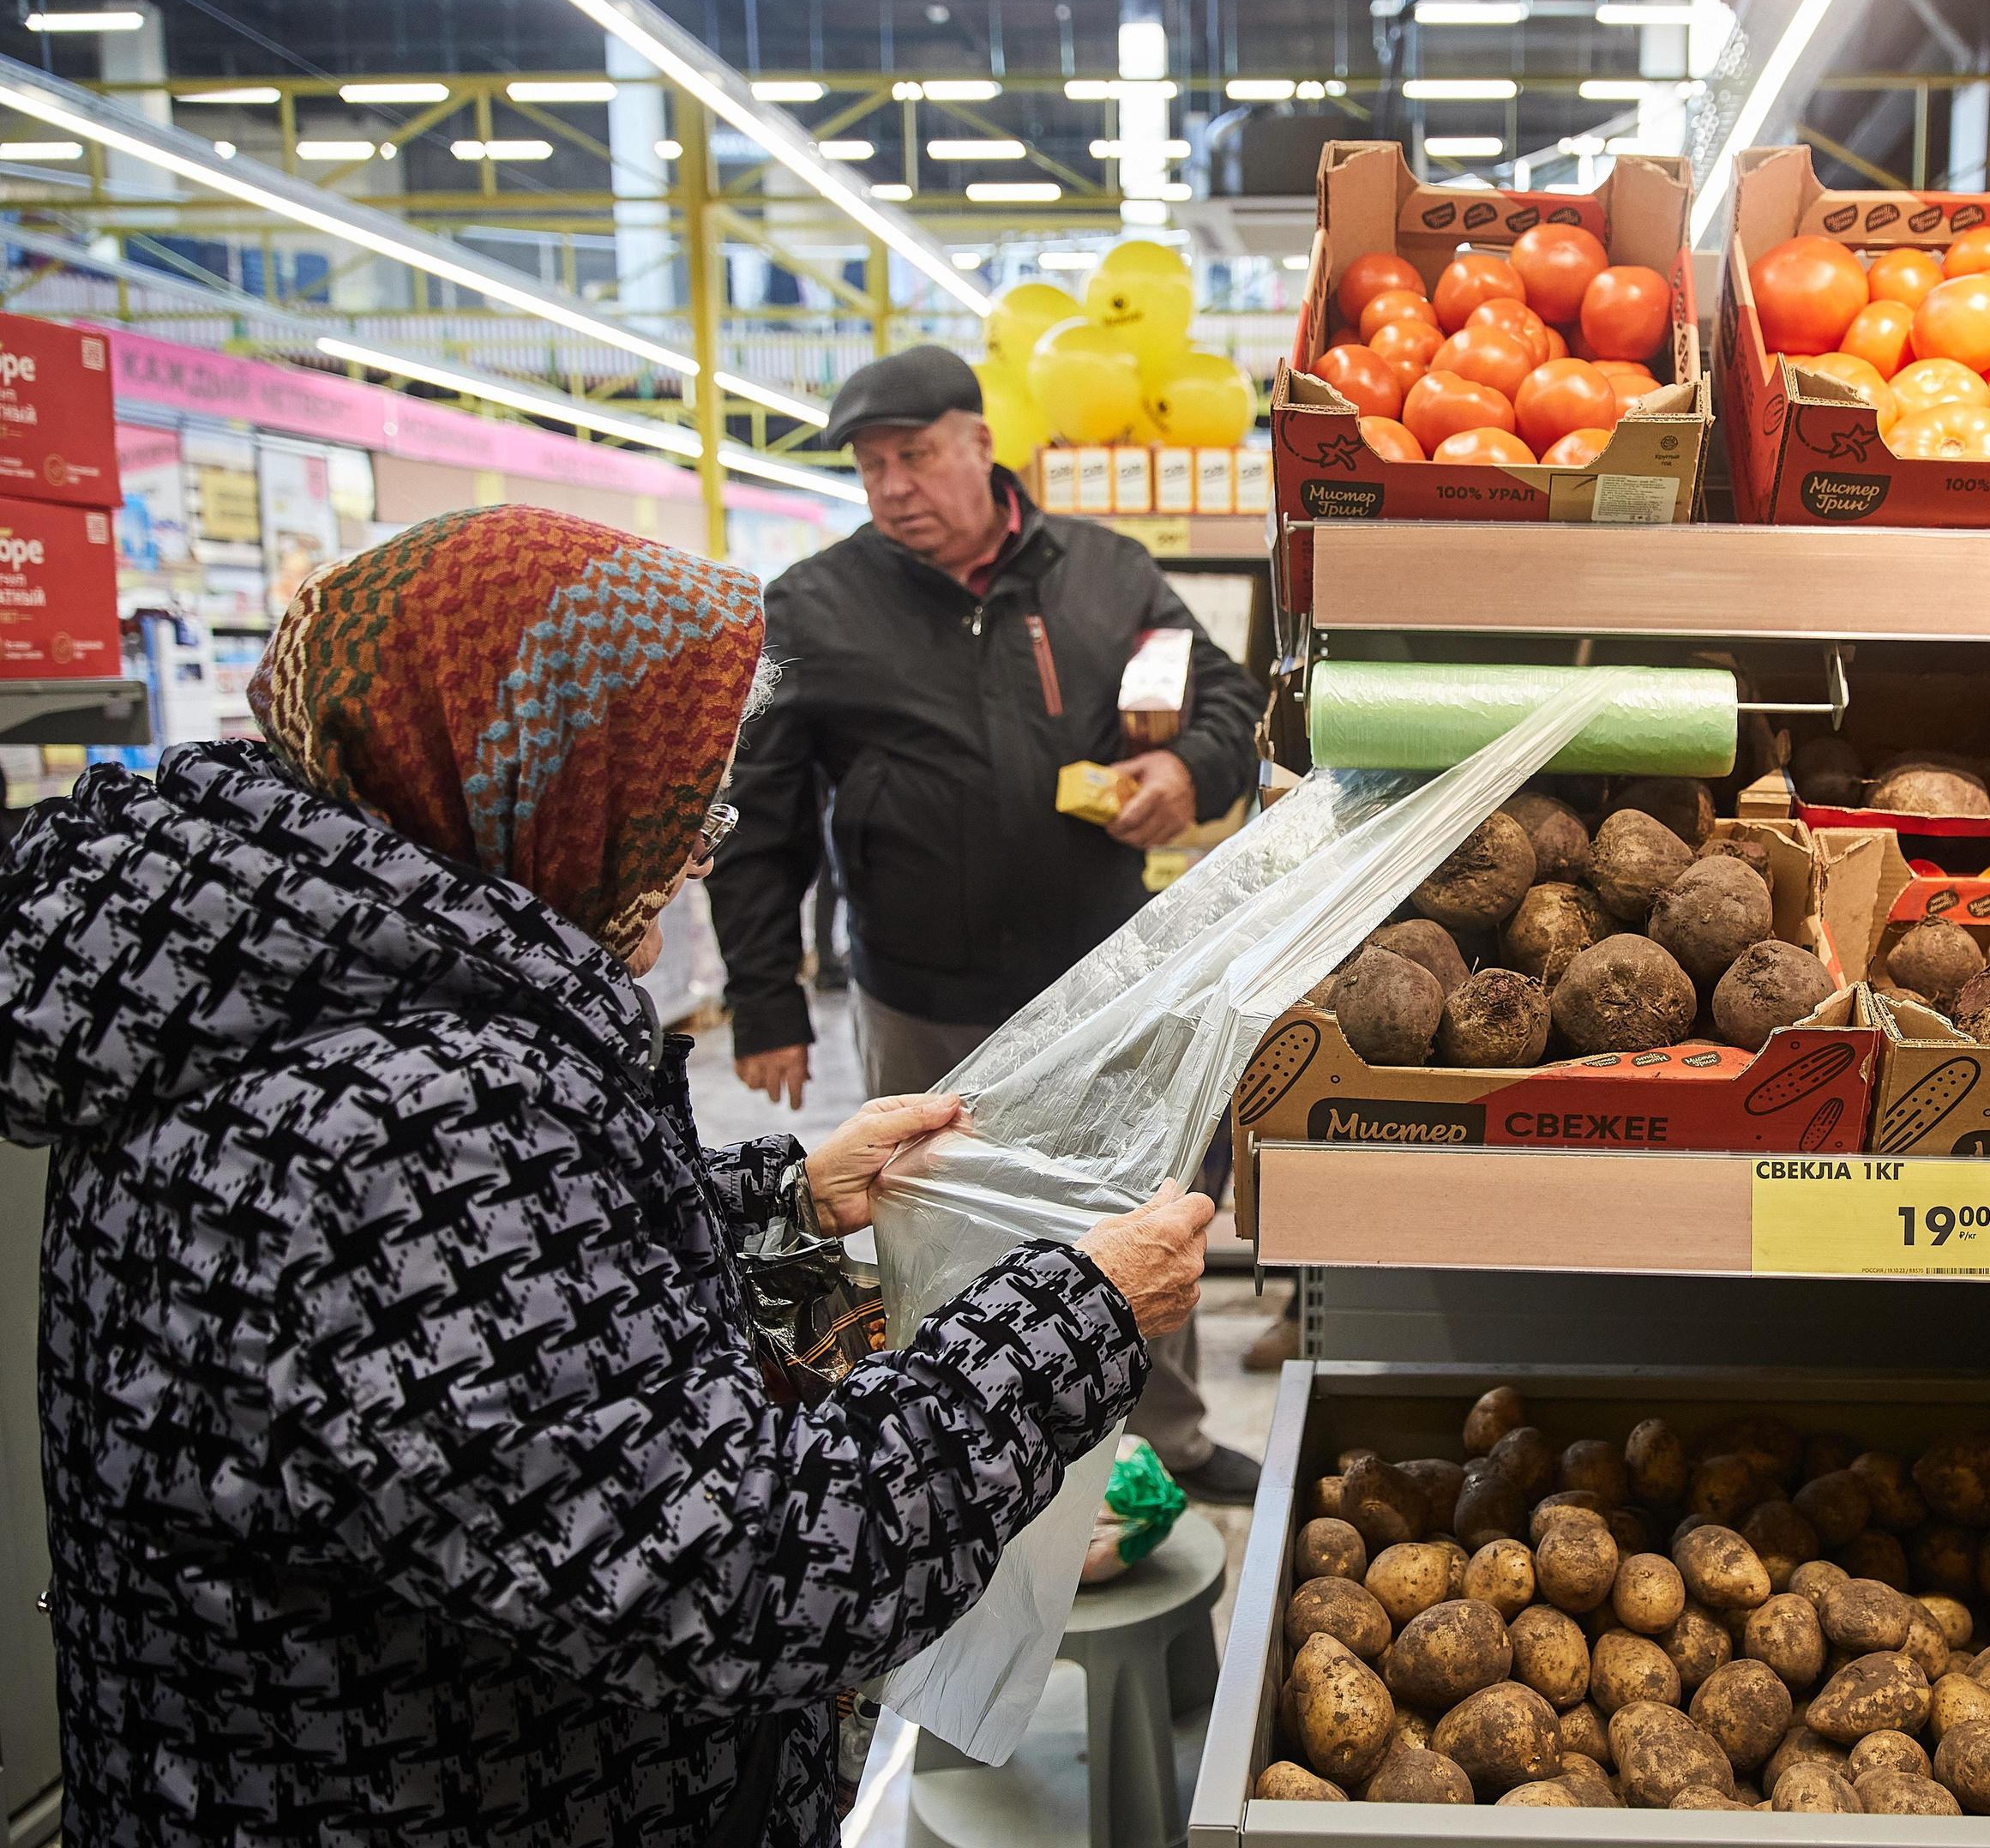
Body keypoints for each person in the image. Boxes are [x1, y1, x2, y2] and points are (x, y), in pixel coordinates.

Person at [0, 504, 1211, 1846]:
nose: (697, 854)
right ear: (537, 776)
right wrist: (1073, 1317)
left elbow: (481, 1346)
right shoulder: (408, 1118)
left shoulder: (262, 974)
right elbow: (750, 1578)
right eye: (677, 805)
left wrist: (772, 1192)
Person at [710, 343, 1268, 1502]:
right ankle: (959, 1468)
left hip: (1103, 984)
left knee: (1133, 1212)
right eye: (870, 467)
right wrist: (766, 996)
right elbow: (761, 821)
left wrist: (1186, 769)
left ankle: (1168, 1438)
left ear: (980, 444)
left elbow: (1221, 695)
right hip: (919, 995)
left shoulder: (1106, 576)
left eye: (914, 456)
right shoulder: (816, 605)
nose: (892, 486)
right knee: (939, 1233)